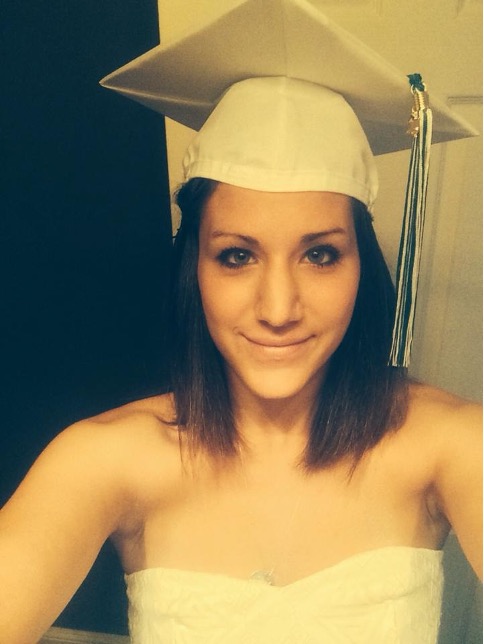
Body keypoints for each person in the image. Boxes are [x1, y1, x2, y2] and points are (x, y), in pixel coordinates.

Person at [1, 1, 481, 642]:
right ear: (194, 267)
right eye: (236, 256)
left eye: (319, 254)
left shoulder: (448, 444)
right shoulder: (106, 459)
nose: (278, 309)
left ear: (361, 265)